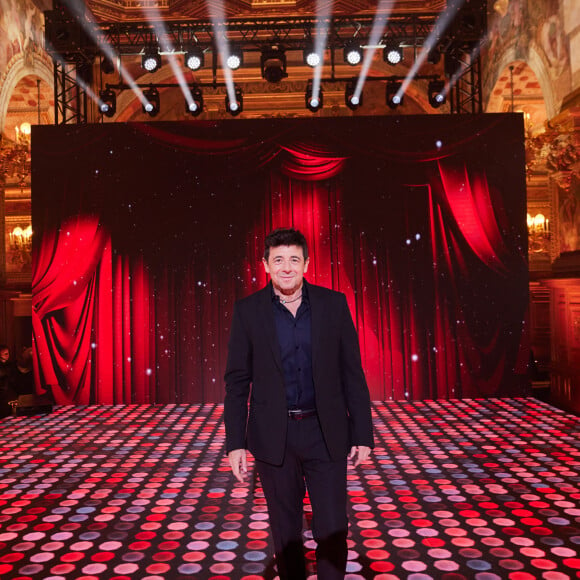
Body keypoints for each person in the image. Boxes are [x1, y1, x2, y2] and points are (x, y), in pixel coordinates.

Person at [224, 227, 374, 580]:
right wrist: (235, 444)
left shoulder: (333, 304)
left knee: (333, 526)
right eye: (278, 260)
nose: (286, 267)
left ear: (306, 263)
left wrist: (363, 433)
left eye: (294, 259)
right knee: (286, 530)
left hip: (326, 432)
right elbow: (236, 383)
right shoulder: (247, 311)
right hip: (274, 437)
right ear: (265, 265)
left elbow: (352, 372)